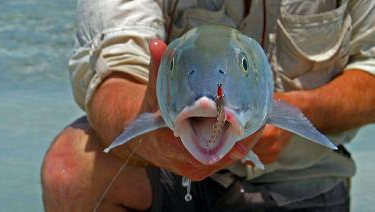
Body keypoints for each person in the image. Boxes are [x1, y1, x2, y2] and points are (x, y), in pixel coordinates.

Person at [42, 0, 375, 211]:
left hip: (306, 180)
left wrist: (304, 109)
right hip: (169, 175)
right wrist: (147, 129)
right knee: (69, 170)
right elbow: (113, 71)